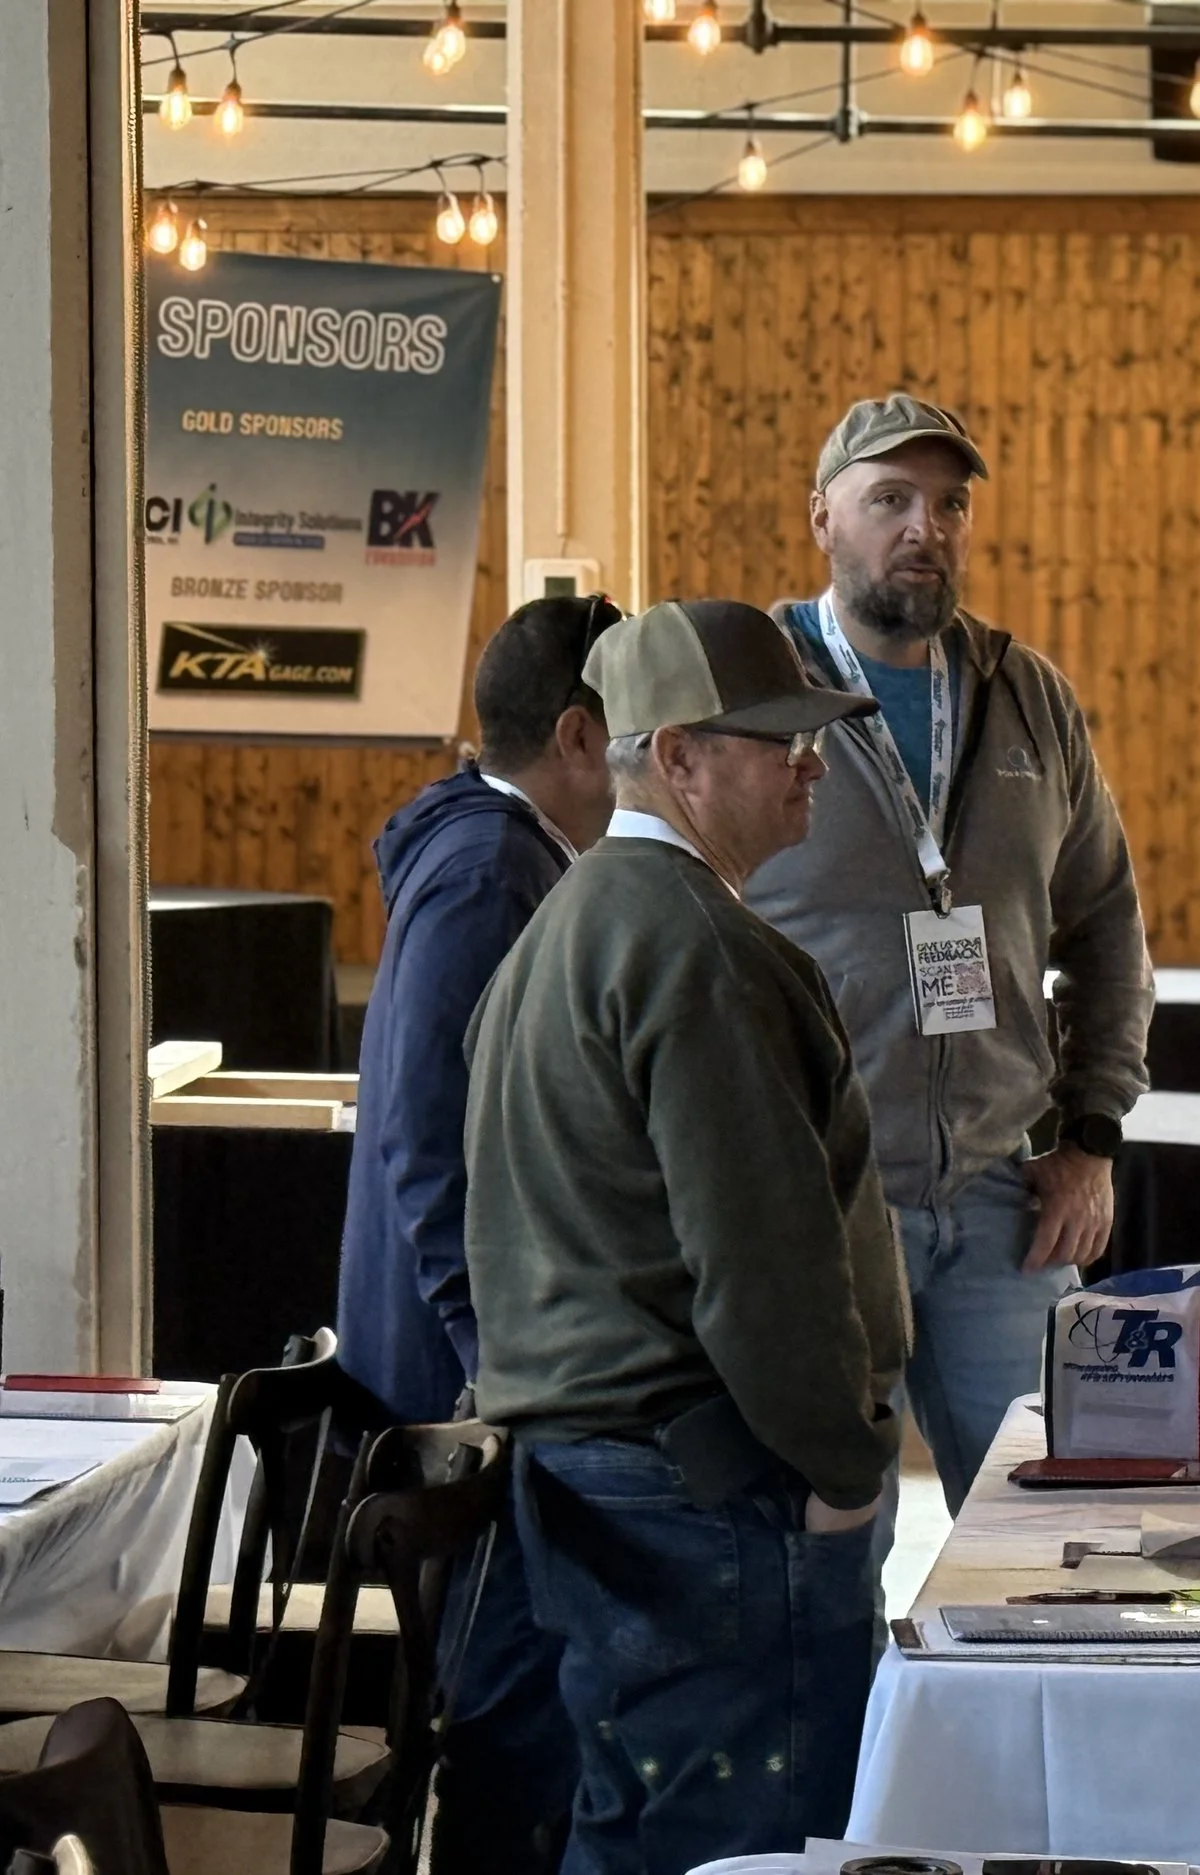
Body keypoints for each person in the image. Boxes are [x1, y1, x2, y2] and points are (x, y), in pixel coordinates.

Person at [464, 598, 909, 1875]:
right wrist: (843, 1469)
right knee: (751, 1846)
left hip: (601, 1485)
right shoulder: (702, 949)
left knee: (644, 1832)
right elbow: (763, 1274)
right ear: (677, 757)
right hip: (705, 1498)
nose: (810, 763)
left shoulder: (565, 929)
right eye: (775, 739)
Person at [747, 392, 1153, 1513]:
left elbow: (1108, 924)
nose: (923, 527)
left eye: (948, 503)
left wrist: (1091, 1134)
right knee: (832, 1544)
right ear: (823, 519)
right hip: (822, 1199)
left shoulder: (1028, 698)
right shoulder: (751, 694)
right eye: (889, 500)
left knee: (1056, 1523)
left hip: (1000, 1200)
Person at [334, 591, 621, 1873]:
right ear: (577, 735)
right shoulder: (488, 870)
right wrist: (497, 1363)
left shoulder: (503, 860)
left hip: (484, 1371)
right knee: (508, 1729)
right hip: (480, 1392)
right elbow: (422, 1138)